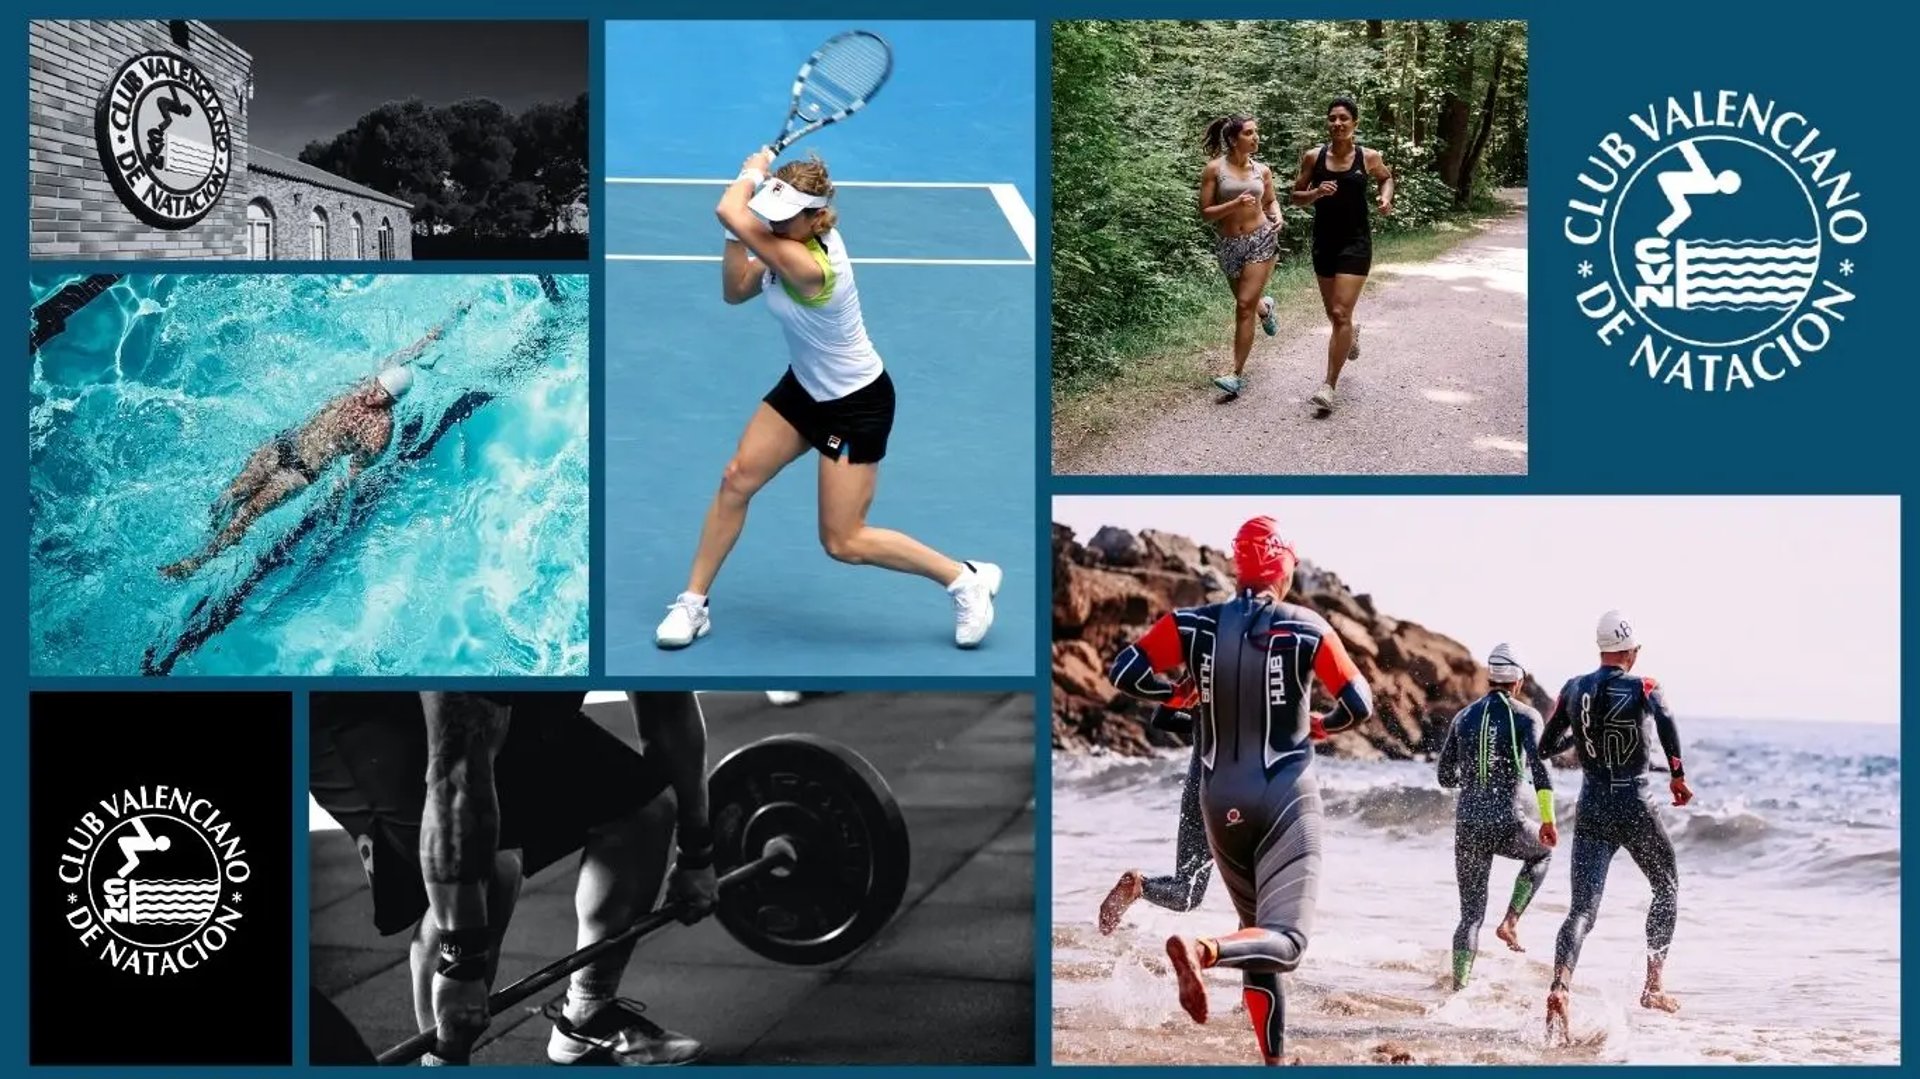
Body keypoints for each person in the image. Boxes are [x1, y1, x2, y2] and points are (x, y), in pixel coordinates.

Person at [654, 150, 1001, 651]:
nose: (771, 224)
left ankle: (963, 578)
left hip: (855, 404)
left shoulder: (811, 267)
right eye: (769, 215)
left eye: (783, 217)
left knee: (843, 541)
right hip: (804, 388)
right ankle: (693, 604)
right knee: (736, 480)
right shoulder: (784, 241)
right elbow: (735, 290)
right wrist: (740, 233)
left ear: (816, 218)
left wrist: (751, 172)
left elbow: (729, 209)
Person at [308, 691, 718, 1066]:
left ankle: (589, 1015)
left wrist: (697, 852)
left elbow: (667, 708)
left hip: (509, 707)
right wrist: (462, 964)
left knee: (644, 814)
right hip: (358, 710)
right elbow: (457, 781)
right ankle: (444, 1063)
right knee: (489, 869)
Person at [1105, 516, 1373, 1065]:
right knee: (1287, 942)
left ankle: (1272, 1061)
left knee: (1258, 933)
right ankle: (1202, 950)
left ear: (1239, 566)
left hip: (1216, 799)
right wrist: (1325, 724)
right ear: (1283, 566)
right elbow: (1359, 703)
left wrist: (1176, 693)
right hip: (1285, 796)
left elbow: (1124, 671)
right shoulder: (1307, 627)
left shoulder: (1191, 624)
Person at [158, 306, 464, 580]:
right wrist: (441, 329)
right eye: (375, 385)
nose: (371, 394)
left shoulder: (379, 431)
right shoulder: (368, 382)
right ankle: (207, 533)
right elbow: (410, 351)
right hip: (282, 446)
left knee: (246, 514)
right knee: (232, 494)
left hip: (301, 472)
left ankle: (195, 563)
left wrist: (336, 502)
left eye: (381, 394)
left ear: (393, 401)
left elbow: (353, 473)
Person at [1538, 611, 1694, 1043]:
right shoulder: (1644, 686)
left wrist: (1582, 731)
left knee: (1581, 911)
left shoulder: (1573, 688)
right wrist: (1678, 776)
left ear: (1602, 648)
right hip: (1634, 802)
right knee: (1666, 888)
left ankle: (1559, 988)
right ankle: (1653, 986)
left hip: (1592, 806)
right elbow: (1665, 722)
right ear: (1631, 650)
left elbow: (1547, 746)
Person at [1435, 643, 1558, 990]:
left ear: (1491, 678)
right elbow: (1540, 770)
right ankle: (1510, 921)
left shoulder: (1464, 716)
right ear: (1517, 681)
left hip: (1469, 825)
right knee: (1543, 851)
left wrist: (1475, 778)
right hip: (1508, 822)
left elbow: (1444, 776)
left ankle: (1459, 990)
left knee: (1470, 917)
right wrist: (1547, 820)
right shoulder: (1526, 716)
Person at [1289, 96, 1394, 416]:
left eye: (1343, 118)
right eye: (1332, 118)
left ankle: (1328, 387)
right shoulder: (1313, 157)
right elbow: (1295, 197)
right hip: (1324, 242)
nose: (1337, 123)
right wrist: (1317, 193)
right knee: (1336, 316)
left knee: (1339, 311)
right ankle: (1352, 334)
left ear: (1355, 124)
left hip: (1356, 243)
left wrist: (1385, 198)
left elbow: (1386, 177)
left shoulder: (1369, 157)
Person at [1096, 705, 1213, 934]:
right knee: (1253, 887)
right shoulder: (1259, 684)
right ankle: (1250, 958)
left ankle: (1141, 886)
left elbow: (1161, 717)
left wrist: (1202, 725)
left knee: (1186, 892)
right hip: (1236, 792)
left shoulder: (1201, 673)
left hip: (1196, 787)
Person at [1197, 114, 1284, 397]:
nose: (1255, 137)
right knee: (1247, 303)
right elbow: (1206, 213)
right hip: (1229, 244)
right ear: (1234, 139)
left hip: (1261, 240)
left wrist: (1277, 216)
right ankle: (1266, 308)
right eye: (1249, 133)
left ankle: (1235, 374)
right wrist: (1234, 203)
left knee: (1243, 306)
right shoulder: (1214, 170)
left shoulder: (1263, 170)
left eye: (1256, 132)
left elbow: (1270, 201)